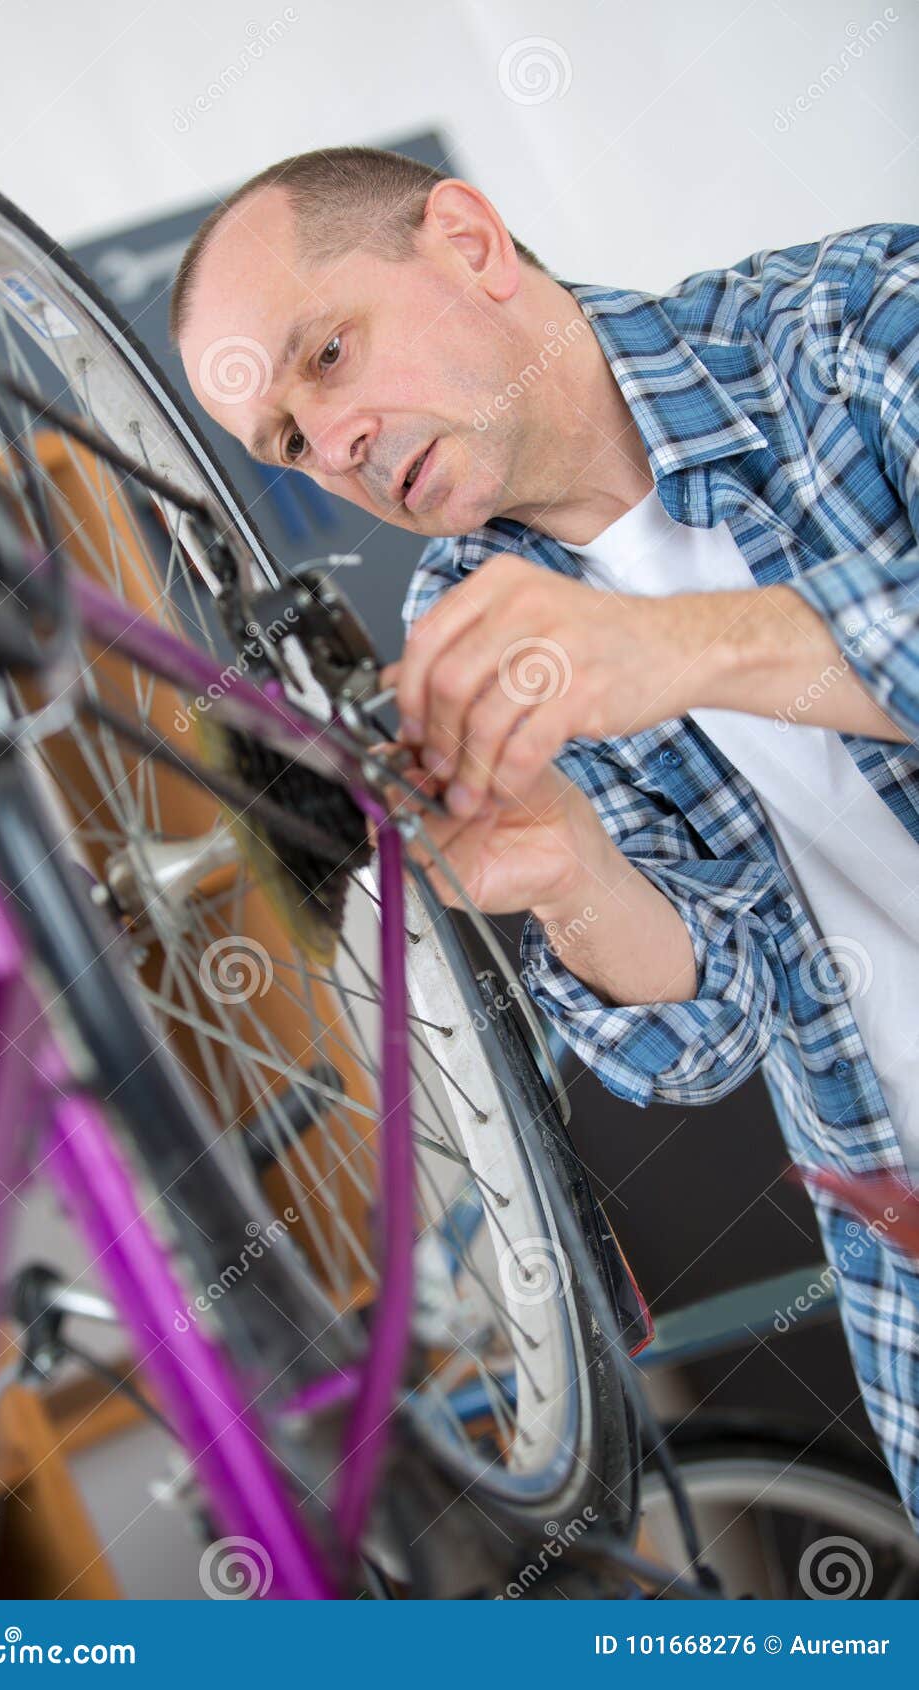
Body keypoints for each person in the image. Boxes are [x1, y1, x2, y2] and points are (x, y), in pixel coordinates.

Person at [169, 145, 919, 1530]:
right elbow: (710, 1034)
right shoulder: (480, 602)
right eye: (283, 440)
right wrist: (571, 871)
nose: (329, 445)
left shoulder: (863, 329)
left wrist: (672, 650)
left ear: (466, 240)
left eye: (328, 353)